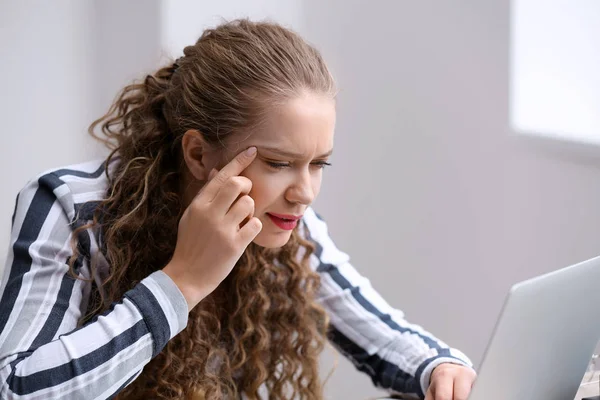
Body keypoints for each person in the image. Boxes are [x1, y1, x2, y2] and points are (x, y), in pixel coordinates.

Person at [0, 19, 476, 400]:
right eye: (279, 163)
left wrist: (438, 366)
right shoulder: (71, 207)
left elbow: (385, 334)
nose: (304, 192)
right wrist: (182, 281)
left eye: (319, 163)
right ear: (199, 154)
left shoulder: (284, 217)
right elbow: (15, 387)